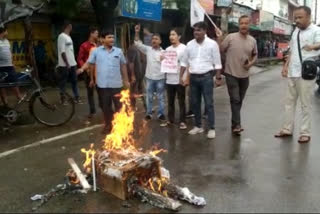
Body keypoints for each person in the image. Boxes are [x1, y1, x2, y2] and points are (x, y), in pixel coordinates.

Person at [275, 6, 320, 143]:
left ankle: (305, 132)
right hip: (292, 72)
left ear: (309, 17)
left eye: (300, 17)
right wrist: (285, 66)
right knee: (289, 103)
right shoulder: (295, 32)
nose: (297, 20)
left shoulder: (316, 30)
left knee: (305, 104)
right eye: (295, 18)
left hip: (306, 73)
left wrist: (312, 47)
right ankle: (287, 129)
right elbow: (292, 51)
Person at [180, 21, 222, 139]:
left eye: (198, 30)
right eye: (195, 30)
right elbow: (184, 62)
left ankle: (212, 128)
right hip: (193, 78)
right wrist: (181, 77)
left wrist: (218, 78)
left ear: (205, 31)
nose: (196, 32)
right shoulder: (189, 45)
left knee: (209, 104)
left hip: (207, 78)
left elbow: (218, 63)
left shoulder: (212, 44)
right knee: (195, 103)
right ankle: (198, 126)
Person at [217, 15, 258, 135]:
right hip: (231, 74)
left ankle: (234, 124)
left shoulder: (252, 40)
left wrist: (250, 64)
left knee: (239, 100)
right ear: (239, 25)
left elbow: (255, 55)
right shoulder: (230, 37)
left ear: (249, 25)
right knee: (235, 99)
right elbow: (221, 49)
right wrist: (219, 38)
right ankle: (237, 125)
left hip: (245, 76)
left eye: (246, 23)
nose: (244, 25)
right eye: (241, 23)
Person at [88, 29, 130, 134]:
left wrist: (126, 80)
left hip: (117, 85)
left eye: (113, 37)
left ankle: (121, 127)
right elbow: (90, 64)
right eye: (109, 37)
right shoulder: (96, 51)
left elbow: (123, 66)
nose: (112, 39)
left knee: (119, 107)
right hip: (103, 85)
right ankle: (108, 125)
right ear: (103, 39)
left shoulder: (119, 51)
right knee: (106, 107)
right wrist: (89, 77)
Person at [134, 24, 167, 126]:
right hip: (149, 78)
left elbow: (170, 64)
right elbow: (137, 44)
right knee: (149, 97)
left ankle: (161, 114)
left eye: (156, 39)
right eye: (153, 39)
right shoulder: (148, 49)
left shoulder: (165, 52)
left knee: (161, 97)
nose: (154, 40)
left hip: (161, 78)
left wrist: (164, 60)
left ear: (160, 41)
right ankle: (149, 113)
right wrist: (136, 32)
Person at [163, 28, 187, 129]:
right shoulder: (167, 49)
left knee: (181, 101)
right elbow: (164, 63)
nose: (171, 37)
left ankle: (182, 121)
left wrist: (184, 78)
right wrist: (162, 59)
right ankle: (170, 119)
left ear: (179, 36)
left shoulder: (184, 48)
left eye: (173, 35)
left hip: (180, 79)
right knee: (170, 101)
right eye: (170, 35)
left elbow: (186, 63)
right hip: (169, 79)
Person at [57, 21, 81, 104]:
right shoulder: (61, 36)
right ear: (68, 26)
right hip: (64, 65)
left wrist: (73, 63)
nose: (71, 27)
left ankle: (76, 98)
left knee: (74, 81)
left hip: (73, 63)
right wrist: (67, 64)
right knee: (63, 82)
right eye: (71, 26)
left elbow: (70, 51)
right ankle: (63, 99)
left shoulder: (69, 37)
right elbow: (62, 51)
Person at [77, 26, 99, 118]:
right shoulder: (84, 45)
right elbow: (80, 59)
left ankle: (104, 107)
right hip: (88, 72)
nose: (97, 35)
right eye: (96, 33)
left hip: (98, 72)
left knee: (101, 90)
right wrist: (85, 68)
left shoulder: (97, 45)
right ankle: (92, 111)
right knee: (90, 92)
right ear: (91, 33)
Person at [0, 26, 22, 106]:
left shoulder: (7, 41)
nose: (8, 33)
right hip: (1, 67)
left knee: (14, 82)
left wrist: (12, 63)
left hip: (9, 66)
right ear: (3, 32)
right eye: (7, 31)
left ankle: (19, 97)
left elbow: (10, 52)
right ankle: (5, 100)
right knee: (1, 85)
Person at [127, 37, 146, 110]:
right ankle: (132, 106)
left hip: (140, 74)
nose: (140, 44)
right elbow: (131, 63)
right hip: (134, 75)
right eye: (138, 42)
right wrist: (132, 75)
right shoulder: (132, 49)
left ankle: (146, 107)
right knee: (133, 91)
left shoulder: (139, 50)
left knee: (141, 90)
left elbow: (142, 61)